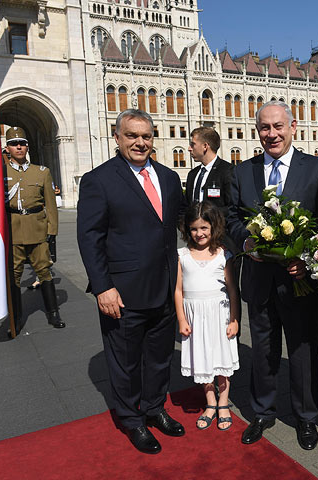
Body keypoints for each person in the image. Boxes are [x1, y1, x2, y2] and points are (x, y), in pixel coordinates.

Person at [77, 109, 186, 454]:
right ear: (117, 137)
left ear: (153, 139)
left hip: (165, 288)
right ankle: (132, 419)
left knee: (158, 357)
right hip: (122, 293)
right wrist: (102, 286)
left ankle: (154, 408)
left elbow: (180, 224)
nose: (140, 142)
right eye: (131, 136)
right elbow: (89, 236)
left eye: (146, 136)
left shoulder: (169, 178)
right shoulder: (99, 179)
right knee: (124, 362)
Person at [226, 100, 318, 449]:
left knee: (302, 351)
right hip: (258, 279)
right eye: (264, 128)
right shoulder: (243, 171)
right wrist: (247, 241)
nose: (271, 134)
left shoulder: (317, 169)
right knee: (262, 349)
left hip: (298, 278)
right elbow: (230, 217)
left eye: (278, 127)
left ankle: (306, 418)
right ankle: (262, 411)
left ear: (293, 126)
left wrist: (308, 260)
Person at [175, 202, 239, 431]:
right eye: (194, 228)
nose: (199, 233)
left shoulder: (224, 255)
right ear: (187, 229)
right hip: (195, 318)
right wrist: (182, 319)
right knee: (202, 359)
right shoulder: (181, 255)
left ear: (214, 227)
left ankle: (223, 403)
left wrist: (234, 319)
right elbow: (178, 290)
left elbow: (233, 290)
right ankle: (210, 403)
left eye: (204, 227)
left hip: (219, 315)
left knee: (221, 361)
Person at [4, 126, 65, 330]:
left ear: (27, 147)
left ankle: (53, 313)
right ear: (7, 148)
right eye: (14, 144)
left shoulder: (41, 172)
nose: (18, 147)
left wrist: (52, 232)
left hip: (38, 231)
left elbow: (50, 204)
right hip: (12, 232)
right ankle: (17, 316)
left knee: (44, 272)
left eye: (22, 143)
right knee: (14, 275)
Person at [185, 127, 234, 214]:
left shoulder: (228, 171)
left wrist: (208, 216)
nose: (189, 148)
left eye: (193, 144)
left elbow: (232, 208)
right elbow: (185, 206)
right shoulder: (192, 174)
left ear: (205, 146)